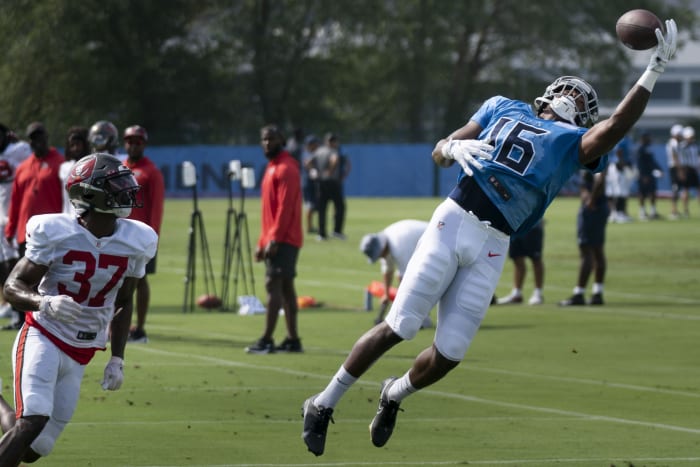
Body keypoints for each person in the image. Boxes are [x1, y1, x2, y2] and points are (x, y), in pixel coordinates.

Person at [300, 19, 677, 456]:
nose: (575, 99)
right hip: (456, 217)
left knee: (451, 352)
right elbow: (440, 152)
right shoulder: (504, 106)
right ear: (551, 92)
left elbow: (611, 130)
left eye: (584, 99)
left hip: (496, 241)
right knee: (399, 325)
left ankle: (394, 393)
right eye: (571, 91)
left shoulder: (574, 142)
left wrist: (652, 72)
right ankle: (323, 403)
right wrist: (450, 146)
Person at [0, 153, 157, 466]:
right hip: (44, 333)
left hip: (82, 349)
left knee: (35, 447)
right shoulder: (56, 231)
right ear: (89, 193)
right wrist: (44, 302)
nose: (127, 189)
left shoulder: (137, 239)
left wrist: (118, 358)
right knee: (33, 420)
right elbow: (12, 288)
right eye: (116, 184)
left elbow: (125, 300)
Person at [245, 125, 303, 354]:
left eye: (272, 139)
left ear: (282, 140)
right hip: (275, 237)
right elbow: (268, 212)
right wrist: (262, 241)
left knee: (273, 285)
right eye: (264, 139)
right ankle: (293, 339)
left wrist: (275, 238)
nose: (267, 143)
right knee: (286, 288)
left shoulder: (287, 168)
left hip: (285, 238)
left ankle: (267, 339)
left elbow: (285, 208)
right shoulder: (273, 167)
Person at [4, 123, 65, 331]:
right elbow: (16, 200)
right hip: (26, 231)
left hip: (53, 232)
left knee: (48, 278)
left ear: (46, 137)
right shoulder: (24, 166)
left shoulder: (59, 163)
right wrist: (11, 229)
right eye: (32, 138)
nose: (36, 142)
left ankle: (47, 319)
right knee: (24, 278)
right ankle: (23, 320)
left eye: (39, 137)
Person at [120, 125, 165, 344]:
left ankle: (140, 328)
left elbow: (157, 206)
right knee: (119, 279)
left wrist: (153, 236)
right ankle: (118, 324)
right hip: (120, 233)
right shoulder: (121, 168)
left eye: (137, 141)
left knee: (140, 279)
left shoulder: (151, 172)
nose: (133, 145)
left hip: (142, 235)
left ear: (144, 144)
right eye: (129, 141)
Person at [359, 219, 433, 328]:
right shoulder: (385, 241)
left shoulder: (399, 246)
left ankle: (423, 319)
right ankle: (419, 316)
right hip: (424, 246)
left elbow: (407, 277)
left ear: (382, 248)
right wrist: (386, 294)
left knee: (421, 282)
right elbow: (388, 270)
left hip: (437, 243)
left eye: (380, 255)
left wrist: (401, 301)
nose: (381, 257)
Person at [558, 169, 609, 306]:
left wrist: (591, 200)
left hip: (593, 209)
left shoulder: (596, 156)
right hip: (600, 207)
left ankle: (579, 293)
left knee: (586, 251)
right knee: (598, 250)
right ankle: (597, 293)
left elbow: (600, 178)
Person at [0, 126, 31, 319]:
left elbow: (31, 151)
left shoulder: (18, 150)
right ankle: (9, 302)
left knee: (15, 260)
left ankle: (18, 304)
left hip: (12, 213)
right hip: (0, 212)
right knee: (2, 262)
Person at [495, 219, 545, 305]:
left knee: (535, 258)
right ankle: (516, 293)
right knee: (517, 257)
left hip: (532, 224)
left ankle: (538, 293)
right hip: (515, 225)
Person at [311, 133, 346, 241]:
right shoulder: (333, 151)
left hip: (320, 182)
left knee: (322, 208)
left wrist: (314, 171)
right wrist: (330, 171)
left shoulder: (319, 151)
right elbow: (334, 160)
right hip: (332, 182)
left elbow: (308, 162)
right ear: (334, 142)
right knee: (340, 206)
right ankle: (337, 231)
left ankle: (321, 234)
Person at [59, 127, 90, 215]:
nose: (75, 148)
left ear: (85, 145)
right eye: (72, 145)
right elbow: (65, 197)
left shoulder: (92, 165)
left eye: (78, 144)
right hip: (69, 216)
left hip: (87, 218)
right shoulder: (64, 167)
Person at [605, 137, 634, 223]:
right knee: (620, 192)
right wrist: (622, 163)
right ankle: (618, 213)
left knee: (614, 192)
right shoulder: (621, 139)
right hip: (618, 167)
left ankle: (614, 214)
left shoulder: (622, 138)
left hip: (616, 166)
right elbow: (618, 151)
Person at [635, 132, 662, 220]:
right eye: (648, 137)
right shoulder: (640, 149)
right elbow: (640, 164)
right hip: (644, 175)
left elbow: (652, 161)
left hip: (650, 174)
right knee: (642, 193)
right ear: (643, 138)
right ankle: (642, 212)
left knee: (652, 192)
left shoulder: (648, 148)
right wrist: (643, 175)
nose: (650, 139)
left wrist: (659, 169)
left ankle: (653, 211)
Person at [677, 126, 699, 217]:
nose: (691, 138)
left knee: (698, 189)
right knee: (686, 190)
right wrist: (681, 171)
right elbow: (680, 159)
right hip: (686, 169)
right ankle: (686, 210)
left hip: (694, 169)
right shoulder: (682, 146)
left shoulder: (695, 146)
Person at [302, 135, 321, 234]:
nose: (317, 145)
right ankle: (309, 227)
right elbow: (308, 163)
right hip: (308, 183)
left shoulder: (309, 152)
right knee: (310, 204)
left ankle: (311, 227)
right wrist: (313, 171)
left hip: (309, 182)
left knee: (313, 205)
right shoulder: (307, 153)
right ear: (311, 144)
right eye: (315, 143)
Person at [665, 124, 683, 220]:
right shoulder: (673, 143)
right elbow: (675, 157)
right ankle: (673, 210)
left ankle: (675, 209)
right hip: (674, 168)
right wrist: (680, 170)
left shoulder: (675, 143)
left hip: (675, 168)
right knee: (675, 189)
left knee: (677, 189)